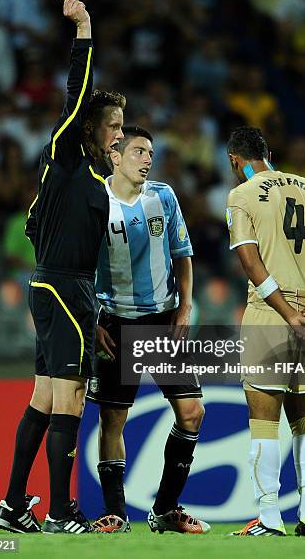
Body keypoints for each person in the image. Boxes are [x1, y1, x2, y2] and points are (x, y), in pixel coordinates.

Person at [0, 0, 126, 535]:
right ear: (89, 126)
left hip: (58, 288)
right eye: (112, 124)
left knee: (45, 397)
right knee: (69, 397)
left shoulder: (85, 179)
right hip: (63, 288)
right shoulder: (67, 152)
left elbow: (36, 222)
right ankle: (62, 511)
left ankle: (11, 505)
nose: (119, 132)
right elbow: (78, 92)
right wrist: (86, 30)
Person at [85, 126, 209, 534]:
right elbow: (77, 267)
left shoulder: (163, 196)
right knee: (113, 421)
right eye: (138, 150)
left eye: (150, 152)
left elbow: (183, 254)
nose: (147, 158)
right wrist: (91, 320)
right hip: (115, 323)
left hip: (162, 321)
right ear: (115, 157)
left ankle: (166, 509)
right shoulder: (94, 200)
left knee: (192, 413)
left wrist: (185, 307)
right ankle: (116, 514)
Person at [225, 126, 305, 537]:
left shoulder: (241, 195)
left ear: (235, 161)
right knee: (303, 414)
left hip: (271, 311)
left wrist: (287, 314)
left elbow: (250, 262)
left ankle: (269, 516)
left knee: (263, 417)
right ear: (268, 153)